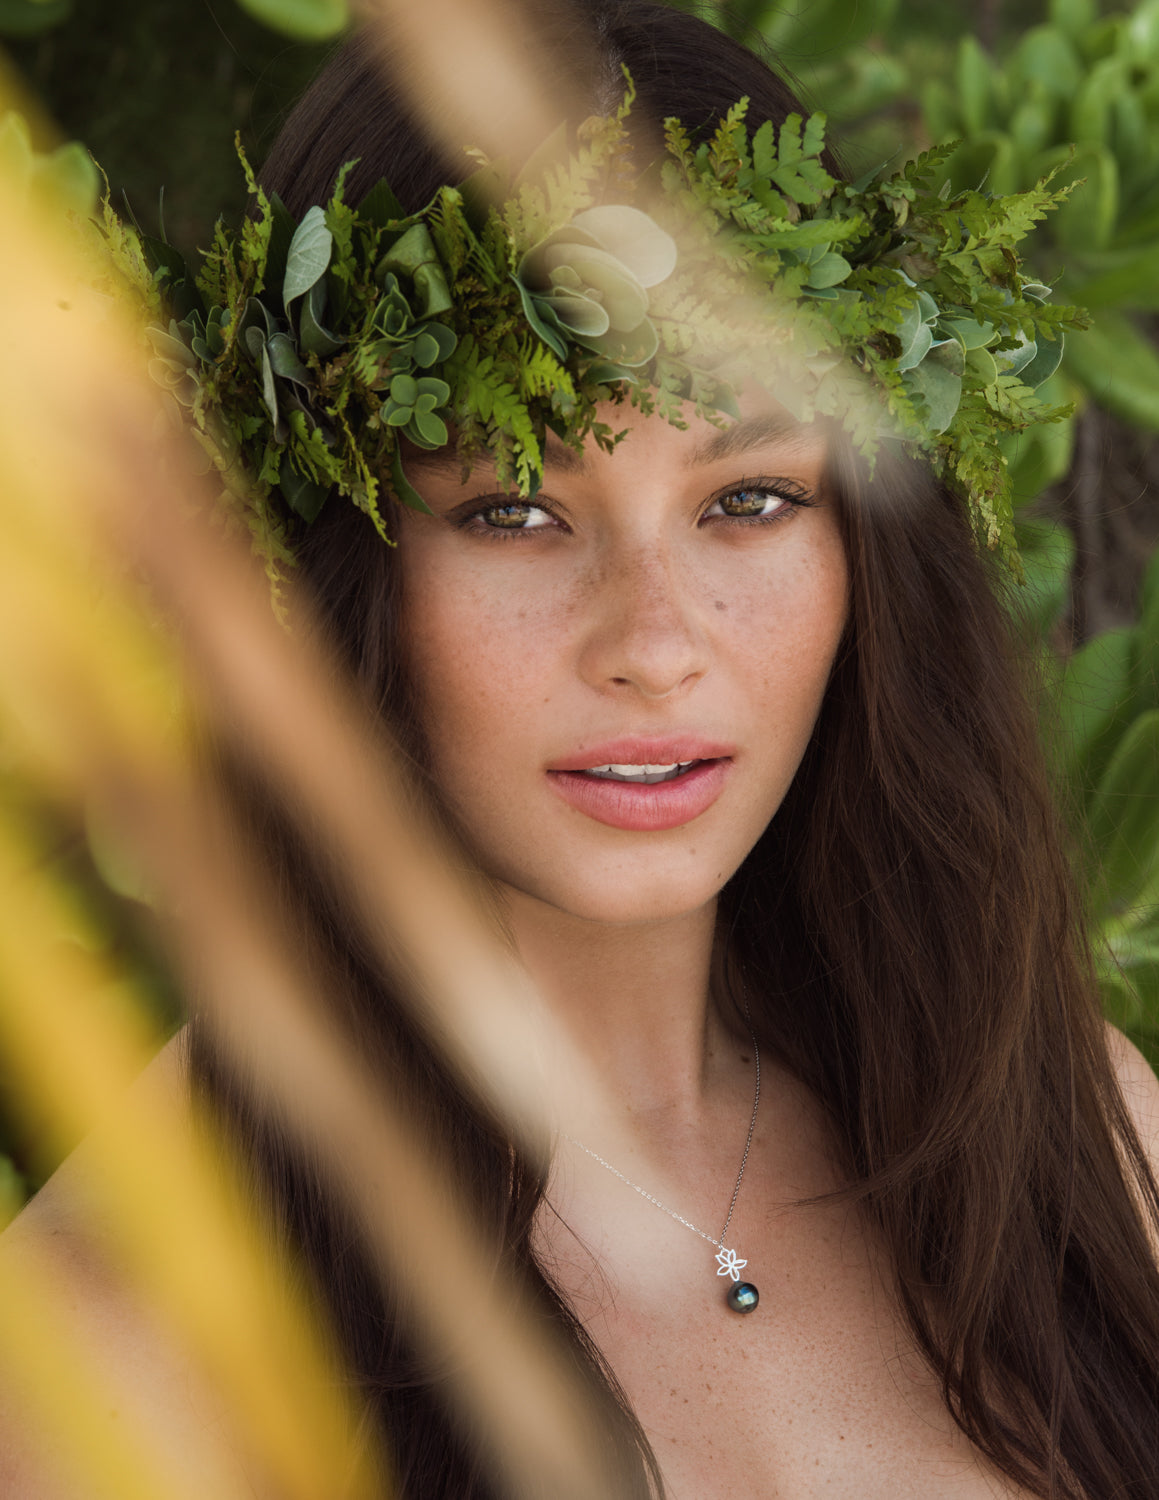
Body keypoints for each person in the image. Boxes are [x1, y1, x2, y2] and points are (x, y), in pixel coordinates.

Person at [4, 3, 1159, 1497]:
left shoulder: (1079, 1142)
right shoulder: (114, 1348)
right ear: (324, 577)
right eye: (514, 513)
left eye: (747, 500)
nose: (655, 641)